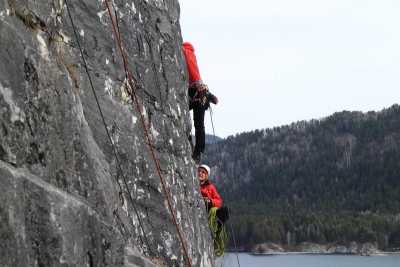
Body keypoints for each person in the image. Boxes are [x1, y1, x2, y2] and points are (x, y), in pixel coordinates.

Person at [182, 42, 218, 163]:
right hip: (200, 93)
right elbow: (195, 73)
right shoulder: (190, 53)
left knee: (198, 124)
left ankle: (198, 150)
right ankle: (198, 150)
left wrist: (198, 85)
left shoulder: (186, 52)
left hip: (197, 92)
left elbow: (193, 72)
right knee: (199, 124)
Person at [198, 164, 227, 256]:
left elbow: (219, 201)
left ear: (206, 176)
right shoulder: (194, 184)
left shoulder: (210, 187)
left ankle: (216, 231)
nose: (200, 173)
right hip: (202, 209)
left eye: (203, 172)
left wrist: (210, 201)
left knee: (223, 211)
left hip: (209, 209)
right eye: (199, 171)